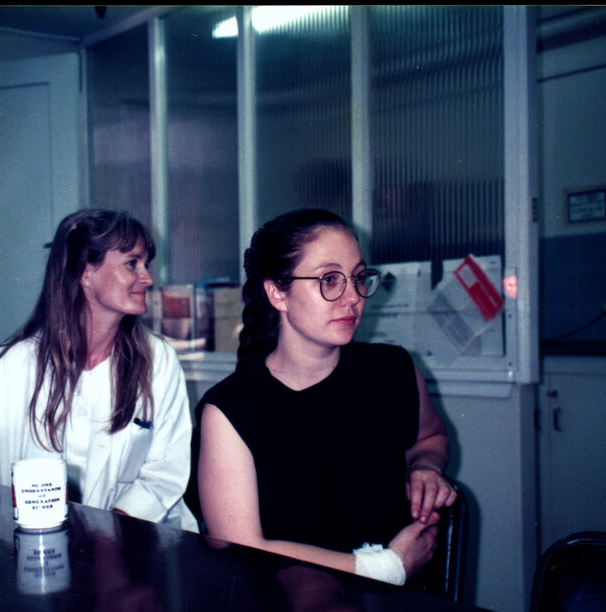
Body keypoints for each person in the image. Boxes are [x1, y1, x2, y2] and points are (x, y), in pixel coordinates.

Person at [194, 208, 457, 585]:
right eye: (329, 280)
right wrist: (385, 568)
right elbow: (239, 545)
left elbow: (430, 438)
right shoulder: (230, 410)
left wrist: (425, 468)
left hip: (395, 611)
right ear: (277, 293)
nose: (352, 297)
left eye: (358, 278)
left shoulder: (393, 370)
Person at [0, 208, 198, 532]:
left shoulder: (158, 360)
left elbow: (166, 472)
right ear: (85, 271)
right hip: (46, 544)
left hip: (142, 542)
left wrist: (110, 535)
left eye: (145, 264)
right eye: (131, 263)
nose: (148, 278)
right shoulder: (18, 362)